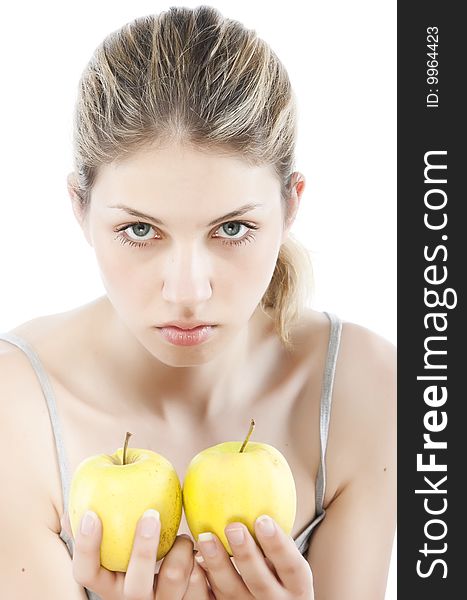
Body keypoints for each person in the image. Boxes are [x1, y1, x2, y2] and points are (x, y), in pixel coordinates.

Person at [0, 5, 396, 599]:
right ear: (80, 207)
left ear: (290, 206)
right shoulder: (16, 410)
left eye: (232, 229)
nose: (187, 292)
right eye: (140, 230)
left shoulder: (365, 388)